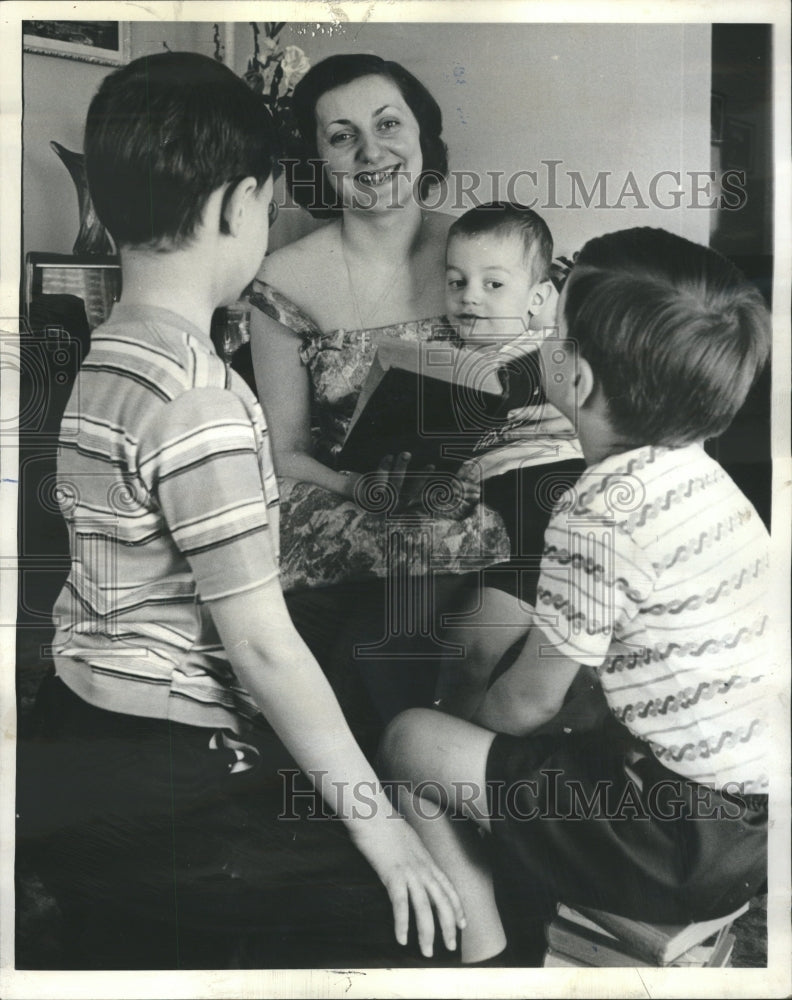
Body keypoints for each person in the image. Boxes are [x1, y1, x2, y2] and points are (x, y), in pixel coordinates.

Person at [15, 51, 466, 971]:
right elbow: (261, 645)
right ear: (237, 204)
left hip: (70, 732)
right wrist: (387, 838)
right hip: (162, 766)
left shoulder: (107, 354)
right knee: (427, 919)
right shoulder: (202, 399)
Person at [380, 227, 771, 966]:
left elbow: (527, 702)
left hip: (671, 837)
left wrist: (464, 745)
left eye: (555, 332)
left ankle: (485, 955)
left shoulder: (599, 511)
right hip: (751, 828)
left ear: (579, 378)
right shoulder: (703, 479)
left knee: (411, 740)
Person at [247, 53, 510, 594]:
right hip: (346, 498)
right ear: (316, 159)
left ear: (421, 135)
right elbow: (283, 451)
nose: (372, 151)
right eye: (343, 137)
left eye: (388, 124)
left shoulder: (485, 253)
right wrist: (356, 486)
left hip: (480, 485)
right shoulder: (281, 281)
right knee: (415, 542)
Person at [431, 203, 587, 718]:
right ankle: (450, 749)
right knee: (465, 648)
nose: (469, 296)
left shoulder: (552, 347)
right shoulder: (445, 361)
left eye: (493, 285)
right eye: (457, 281)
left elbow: (591, 405)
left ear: (538, 298)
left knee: (484, 646)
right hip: (501, 512)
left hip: (556, 490)